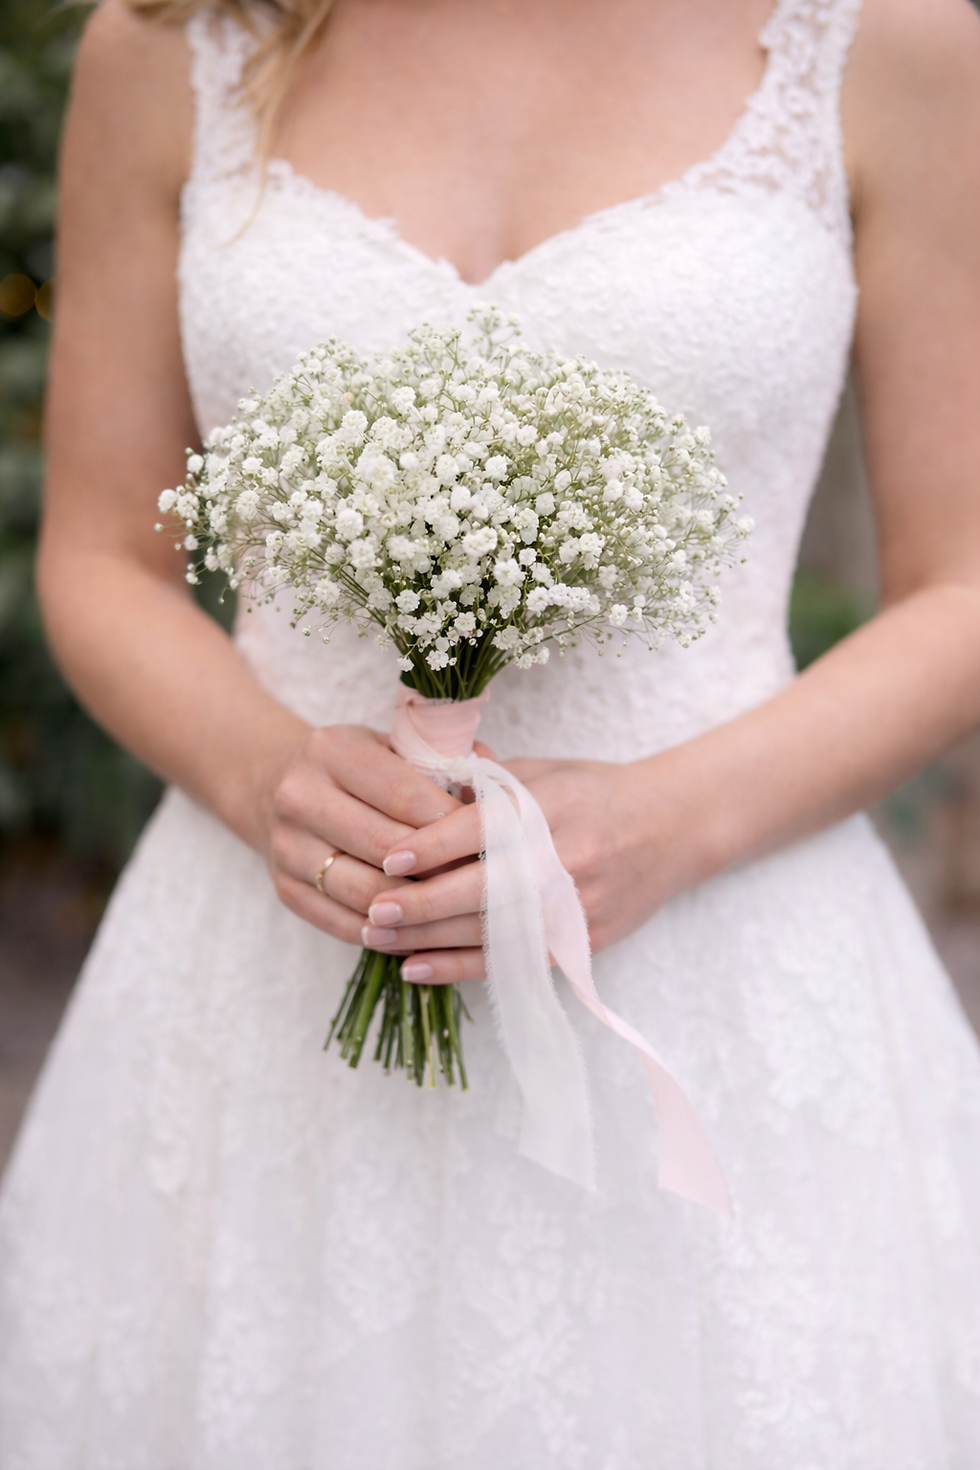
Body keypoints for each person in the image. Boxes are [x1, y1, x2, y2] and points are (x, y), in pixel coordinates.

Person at [2, 0, 980, 1462]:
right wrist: (261, 766)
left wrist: (666, 821)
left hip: (718, 970)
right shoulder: (173, 42)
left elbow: (964, 584)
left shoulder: (892, 39)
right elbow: (94, 555)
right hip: (273, 970)